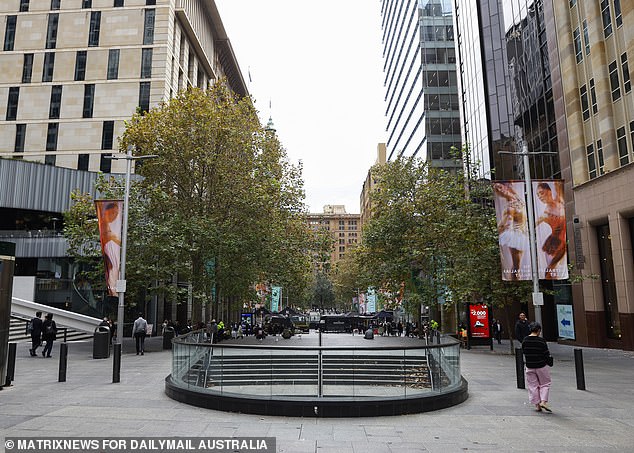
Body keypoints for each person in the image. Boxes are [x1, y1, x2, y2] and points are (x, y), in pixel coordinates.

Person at [493, 182, 530, 281]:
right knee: (516, 268)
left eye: (500, 187)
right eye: (497, 190)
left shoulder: (516, 197)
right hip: (515, 236)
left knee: (517, 267)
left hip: (522, 234)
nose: (500, 191)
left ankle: (516, 286)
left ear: (506, 186)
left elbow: (512, 186)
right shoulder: (508, 207)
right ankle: (516, 286)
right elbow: (504, 224)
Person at [535, 182, 567, 279]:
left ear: (549, 191)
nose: (540, 197)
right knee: (551, 272)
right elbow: (534, 223)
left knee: (556, 271)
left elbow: (558, 185)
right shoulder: (546, 213)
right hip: (554, 246)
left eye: (541, 193)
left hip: (563, 242)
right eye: (538, 195)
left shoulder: (559, 199)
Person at [522, 322, 553, 412]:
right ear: (539, 330)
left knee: (533, 385)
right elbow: (546, 354)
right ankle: (543, 401)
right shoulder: (541, 341)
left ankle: (537, 405)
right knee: (545, 384)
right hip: (541, 365)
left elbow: (524, 352)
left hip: (529, 365)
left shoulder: (525, 340)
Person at [97, 201, 122, 297]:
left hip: (112, 260)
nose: (114, 216)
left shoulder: (107, 226)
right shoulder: (103, 224)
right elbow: (113, 238)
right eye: (112, 213)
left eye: (116, 214)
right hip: (109, 260)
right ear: (106, 212)